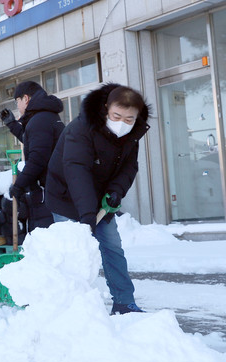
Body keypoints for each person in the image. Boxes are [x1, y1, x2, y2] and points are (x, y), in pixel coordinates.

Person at [45, 83, 149, 315]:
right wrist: (87, 215)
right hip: (66, 197)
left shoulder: (133, 133)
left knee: (112, 246)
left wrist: (115, 192)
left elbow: (129, 167)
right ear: (105, 109)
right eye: (117, 116)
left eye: (129, 119)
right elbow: (76, 170)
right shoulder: (81, 129)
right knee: (74, 251)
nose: (123, 123)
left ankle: (124, 302)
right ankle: (72, 305)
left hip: (101, 198)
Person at [0, 81, 65, 231]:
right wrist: (12, 124)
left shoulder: (39, 121)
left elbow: (37, 158)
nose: (17, 106)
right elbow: (35, 143)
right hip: (57, 188)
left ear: (26, 99)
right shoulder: (48, 116)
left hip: (48, 191)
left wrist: (19, 185)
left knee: (48, 241)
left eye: (17, 101)